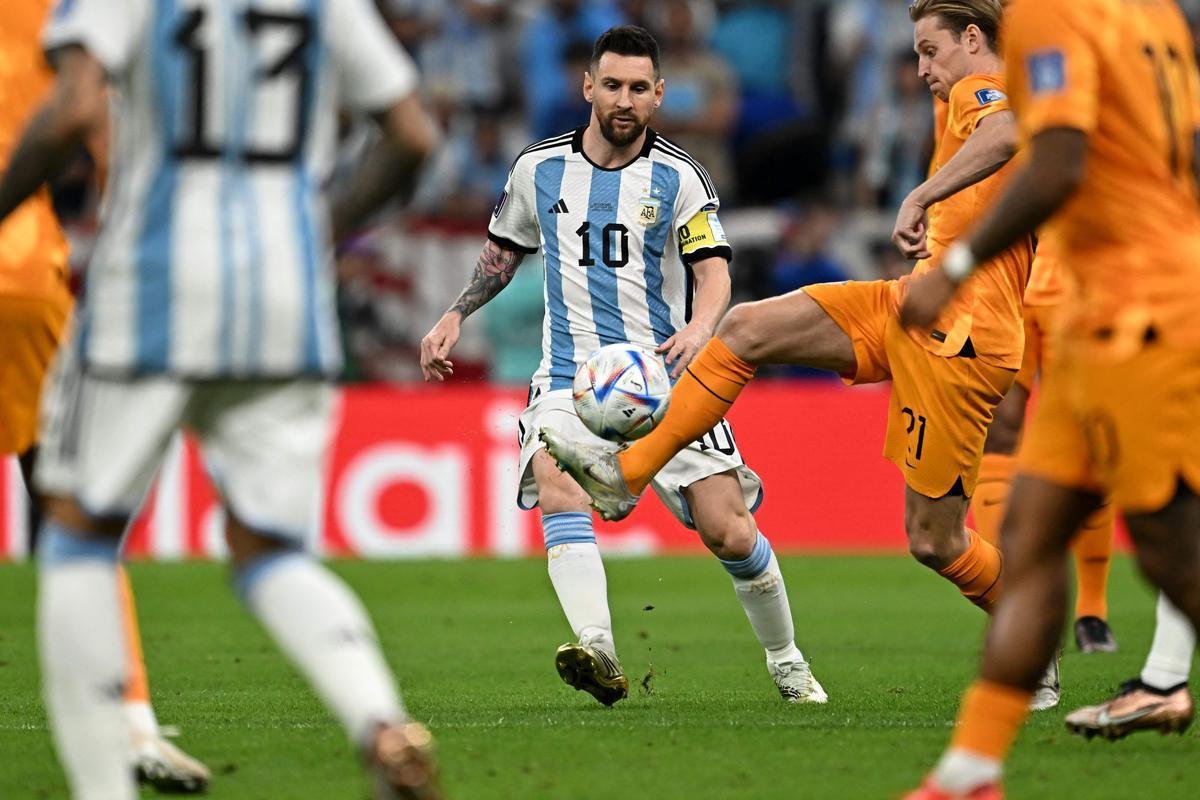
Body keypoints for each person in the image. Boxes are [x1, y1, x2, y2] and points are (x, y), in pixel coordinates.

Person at [543, 1, 1058, 706]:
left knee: (935, 541)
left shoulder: (983, 92)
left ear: (973, 40)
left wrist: (921, 194)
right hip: (912, 306)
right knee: (748, 328)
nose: (922, 70)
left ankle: (1032, 633)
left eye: (930, 51)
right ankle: (626, 474)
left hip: (962, 340)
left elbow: (1010, 130)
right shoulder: (961, 101)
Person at [0, 0, 440, 797]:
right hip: (285, 297)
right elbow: (413, 135)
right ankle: (380, 721)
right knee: (269, 548)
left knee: (78, 535)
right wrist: (320, 229)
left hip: (154, 286)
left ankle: (105, 789)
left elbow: (70, 108)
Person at [420, 25, 826, 707]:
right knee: (556, 478)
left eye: (639, 88)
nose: (624, 99)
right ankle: (598, 648)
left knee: (729, 526)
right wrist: (456, 313)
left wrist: (702, 325)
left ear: (660, 95)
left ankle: (787, 662)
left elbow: (713, 268)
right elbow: (502, 253)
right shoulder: (538, 169)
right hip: (568, 379)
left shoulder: (679, 176)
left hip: (660, 378)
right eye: (612, 85)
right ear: (588, 87)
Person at [897, 0, 1200, 796]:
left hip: (1137, 311)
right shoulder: (1154, 14)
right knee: (1029, 538)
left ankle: (1163, 683)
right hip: (1102, 305)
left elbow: (1055, 158)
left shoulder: (1047, 17)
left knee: (1173, 547)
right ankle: (971, 769)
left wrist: (956, 267)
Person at [0, 0, 209, 792]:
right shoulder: (54, 15)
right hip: (24, 275)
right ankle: (133, 722)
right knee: (74, 518)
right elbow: (105, 139)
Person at [968, 238, 1118, 654]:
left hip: (1077, 289)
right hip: (1008, 284)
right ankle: (1009, 590)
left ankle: (1092, 609)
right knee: (1000, 427)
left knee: (1087, 437)